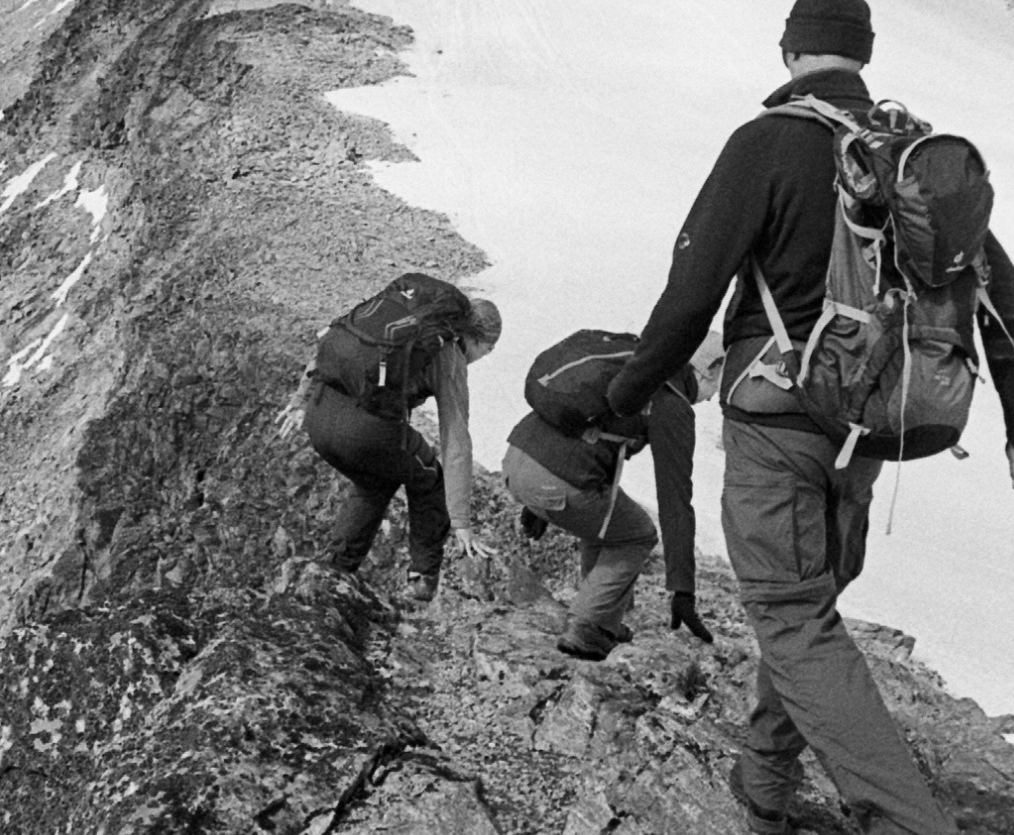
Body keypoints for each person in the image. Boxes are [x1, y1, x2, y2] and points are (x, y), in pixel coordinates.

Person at [602, 0, 1014, 835]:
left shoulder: (768, 143)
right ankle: (763, 777)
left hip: (778, 419)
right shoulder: (903, 149)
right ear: (862, 51)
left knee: (792, 617)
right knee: (807, 608)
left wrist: (625, 396)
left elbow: (689, 295)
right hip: (871, 426)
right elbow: (1000, 295)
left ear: (790, 48)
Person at [278, 281, 502, 605]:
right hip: (365, 432)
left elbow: (330, 349)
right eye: (485, 353)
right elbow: (455, 439)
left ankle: (333, 572)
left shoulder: (395, 326)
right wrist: (461, 522)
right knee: (429, 477)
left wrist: (300, 401)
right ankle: (421, 582)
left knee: (376, 482)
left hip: (318, 416)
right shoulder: (447, 352)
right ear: (481, 342)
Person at [502, 335, 723, 658]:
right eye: (719, 380)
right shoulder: (670, 401)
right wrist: (683, 590)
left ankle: (604, 618)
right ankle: (587, 627)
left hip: (516, 459)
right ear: (705, 371)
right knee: (637, 534)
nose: (715, 394)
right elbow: (675, 501)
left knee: (609, 518)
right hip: (554, 481)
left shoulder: (634, 363)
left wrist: (535, 505)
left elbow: (575, 419)